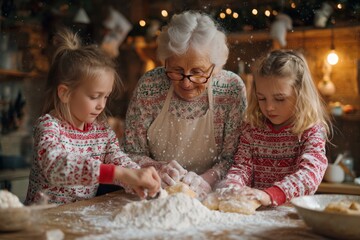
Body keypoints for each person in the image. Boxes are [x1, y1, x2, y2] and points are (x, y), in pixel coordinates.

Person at [25, 28, 161, 205]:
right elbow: (56, 166)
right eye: (94, 96)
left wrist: (136, 176)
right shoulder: (49, 127)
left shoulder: (101, 130)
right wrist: (119, 174)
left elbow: (117, 159)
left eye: (105, 97)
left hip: (79, 215)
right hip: (43, 218)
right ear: (65, 93)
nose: (101, 105)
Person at [123, 11, 247, 199]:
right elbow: (131, 153)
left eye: (197, 72)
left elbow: (235, 158)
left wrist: (206, 180)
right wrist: (157, 169)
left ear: (215, 67)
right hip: (156, 195)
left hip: (212, 197)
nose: (186, 83)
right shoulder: (150, 86)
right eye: (177, 70)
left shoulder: (230, 89)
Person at [217, 50, 332, 207]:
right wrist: (233, 187)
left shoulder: (310, 130)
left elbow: (310, 174)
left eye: (279, 99)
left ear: (300, 94)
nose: (269, 107)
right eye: (262, 98)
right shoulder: (252, 128)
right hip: (256, 214)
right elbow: (242, 166)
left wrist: (269, 195)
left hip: (292, 214)